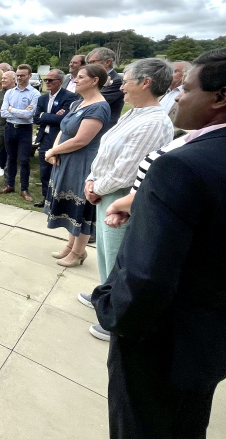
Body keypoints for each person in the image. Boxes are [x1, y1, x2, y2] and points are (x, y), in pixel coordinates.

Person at [91, 46, 226, 439]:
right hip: (214, 336)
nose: (178, 97)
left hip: (159, 343)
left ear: (222, 97)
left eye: (186, 89)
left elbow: (147, 275)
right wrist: (225, 300)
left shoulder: (181, 165)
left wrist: (111, 310)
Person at [81, 58, 174, 342]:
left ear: (146, 82)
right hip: (105, 189)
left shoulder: (153, 122)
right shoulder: (134, 114)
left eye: (127, 80)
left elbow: (127, 168)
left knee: (119, 257)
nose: (121, 86)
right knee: (107, 254)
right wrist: (91, 179)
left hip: (121, 195)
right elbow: (107, 151)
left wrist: (98, 187)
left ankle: (117, 320)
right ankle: (105, 295)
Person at [42, 65, 110, 265]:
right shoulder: (78, 103)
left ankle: (79, 251)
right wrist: (54, 151)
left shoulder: (99, 107)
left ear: (94, 80)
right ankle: (70, 246)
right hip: (65, 160)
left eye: (80, 77)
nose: (75, 80)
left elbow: (81, 140)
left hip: (82, 164)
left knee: (79, 207)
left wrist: (54, 151)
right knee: (69, 207)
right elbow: (63, 130)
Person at [33, 69, 75, 207]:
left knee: (58, 169)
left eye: (51, 80)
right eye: (46, 80)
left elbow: (64, 119)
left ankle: (58, 200)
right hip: (45, 137)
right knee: (44, 170)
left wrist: (44, 115)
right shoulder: (42, 98)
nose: (47, 83)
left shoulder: (70, 97)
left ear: (60, 81)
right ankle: (46, 198)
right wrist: (52, 116)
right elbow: (35, 118)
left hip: (59, 138)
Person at [0, 64, 41, 201]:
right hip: (10, 128)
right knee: (10, 158)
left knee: (24, 160)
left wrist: (12, 109)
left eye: (22, 75)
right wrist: (17, 112)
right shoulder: (10, 92)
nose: (19, 78)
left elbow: (30, 115)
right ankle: (10, 184)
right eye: (17, 75)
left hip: (24, 130)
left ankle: (24, 189)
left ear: (29, 75)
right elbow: (3, 112)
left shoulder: (35, 94)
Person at [86, 48, 124, 129]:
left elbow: (94, 102)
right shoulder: (93, 79)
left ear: (107, 62)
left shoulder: (117, 81)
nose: (89, 66)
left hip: (104, 128)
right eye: (88, 63)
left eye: (92, 62)